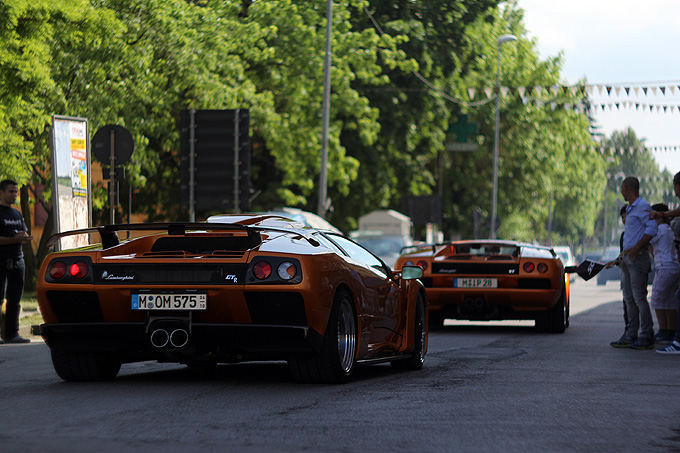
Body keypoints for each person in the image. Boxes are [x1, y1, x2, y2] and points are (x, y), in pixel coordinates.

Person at [610, 176, 657, 349]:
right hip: (628, 257)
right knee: (628, 298)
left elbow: (652, 229)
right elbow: (632, 235)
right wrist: (624, 253)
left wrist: (637, 248)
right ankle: (631, 334)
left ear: (628, 189)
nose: (621, 191)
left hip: (638, 257)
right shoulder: (630, 209)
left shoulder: (643, 207)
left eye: (622, 188)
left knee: (639, 298)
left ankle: (646, 334)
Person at [651, 171, 680, 354]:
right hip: (674, 266)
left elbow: (647, 242)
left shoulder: (659, 229)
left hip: (665, 267)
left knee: (657, 299)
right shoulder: (668, 228)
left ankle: (664, 331)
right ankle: (670, 332)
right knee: (671, 299)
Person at [0, 179, 32, 344]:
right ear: (2, 192)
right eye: (11, 191)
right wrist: (14, 239)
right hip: (1, 260)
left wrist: (24, 238)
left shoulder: (17, 213)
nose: (14, 195)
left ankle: (12, 334)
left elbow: (23, 233)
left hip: (18, 260)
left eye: (15, 192)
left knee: (15, 299)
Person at [604, 204, 629, 334]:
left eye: (626, 217)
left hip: (636, 273)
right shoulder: (624, 235)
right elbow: (622, 256)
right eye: (623, 218)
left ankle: (639, 332)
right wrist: (614, 262)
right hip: (626, 274)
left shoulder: (639, 234)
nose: (624, 220)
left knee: (636, 303)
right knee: (626, 303)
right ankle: (628, 330)